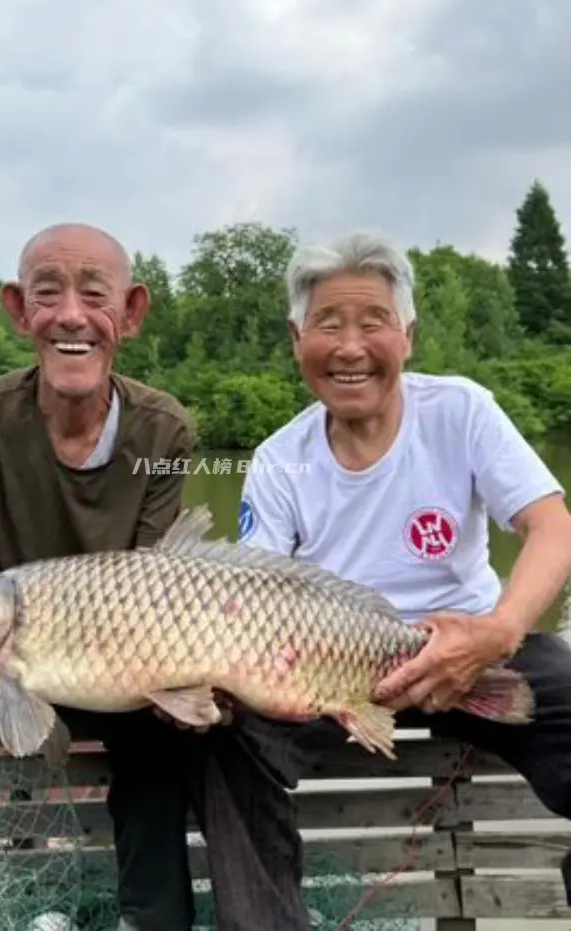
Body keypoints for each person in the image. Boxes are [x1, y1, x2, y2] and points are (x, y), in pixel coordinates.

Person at [231, 229, 571, 923]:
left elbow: (553, 527)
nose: (350, 347)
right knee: (227, 740)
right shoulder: (279, 459)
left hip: (468, 647)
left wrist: (500, 630)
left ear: (407, 336)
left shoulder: (460, 410)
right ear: (297, 340)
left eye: (373, 322)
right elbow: (248, 592)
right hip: (328, 665)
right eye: (328, 324)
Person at [0, 222, 202, 931]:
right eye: (48, 294)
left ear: (132, 313)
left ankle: (153, 919)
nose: (72, 316)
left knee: (165, 736)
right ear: (20, 310)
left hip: (123, 660)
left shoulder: (162, 431)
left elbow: (161, 585)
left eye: (95, 295)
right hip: (6, 651)